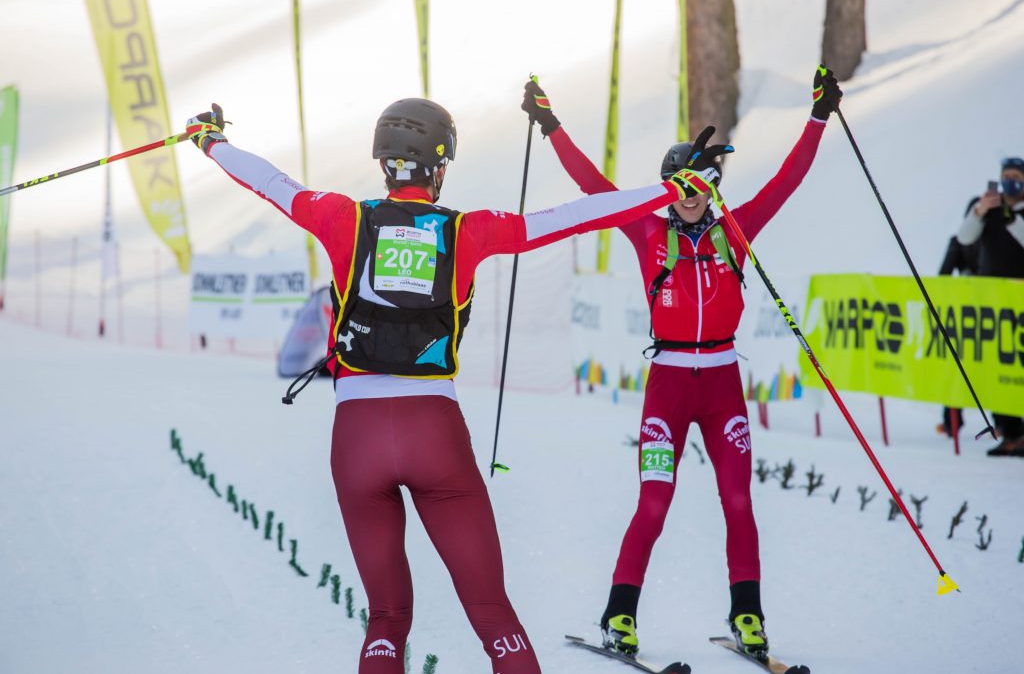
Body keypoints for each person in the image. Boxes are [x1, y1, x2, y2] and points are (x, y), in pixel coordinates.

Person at [184, 99, 715, 674]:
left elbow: (270, 182)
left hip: (356, 436)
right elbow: (573, 216)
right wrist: (668, 191)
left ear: (384, 162)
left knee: (386, 617)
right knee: (492, 613)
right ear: (439, 166)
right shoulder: (467, 230)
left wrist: (210, 141)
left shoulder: (344, 217)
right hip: (434, 430)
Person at [521, 67, 842, 661]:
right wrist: (551, 125)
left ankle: (749, 617)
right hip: (668, 386)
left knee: (739, 502)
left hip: (722, 385)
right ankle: (619, 618)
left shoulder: (736, 232)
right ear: (669, 187)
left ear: (713, 188)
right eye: (682, 186)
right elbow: (594, 187)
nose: (692, 197)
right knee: (654, 502)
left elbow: (787, 180)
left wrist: (819, 116)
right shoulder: (646, 231)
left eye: (702, 185)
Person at [956, 157, 1024, 456]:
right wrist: (980, 211)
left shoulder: (1016, 214)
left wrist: (1013, 220)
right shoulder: (985, 207)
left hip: (1018, 300)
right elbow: (964, 237)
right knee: (993, 368)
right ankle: (1009, 433)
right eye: (1006, 175)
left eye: (1016, 176)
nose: (1011, 181)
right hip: (989, 303)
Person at [935, 224, 980, 437]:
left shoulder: (997, 237)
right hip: (965, 321)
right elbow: (943, 274)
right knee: (957, 369)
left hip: (991, 319)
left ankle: (1008, 426)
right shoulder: (960, 241)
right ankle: (952, 421)